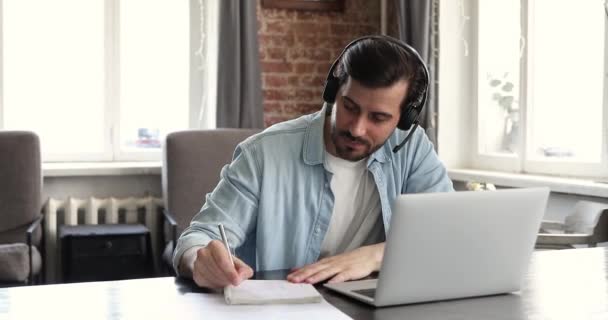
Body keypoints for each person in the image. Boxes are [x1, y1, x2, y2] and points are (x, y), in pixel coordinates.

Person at [173, 35, 454, 289]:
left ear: (404, 119)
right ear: (333, 92)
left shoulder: (412, 147)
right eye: (349, 107)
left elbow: (446, 233)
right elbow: (198, 237)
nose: (356, 128)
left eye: (378, 118)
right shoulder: (262, 153)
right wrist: (201, 261)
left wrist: (376, 256)